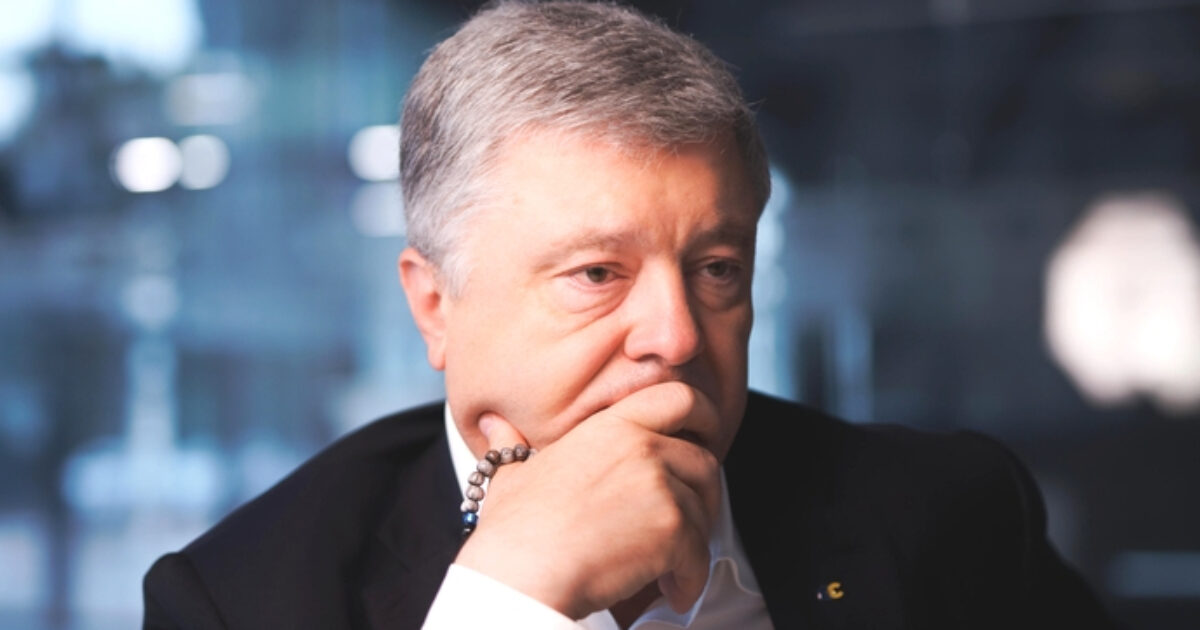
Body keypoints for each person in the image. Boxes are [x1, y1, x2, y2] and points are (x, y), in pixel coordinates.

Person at [143, 2, 1114, 628]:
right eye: (598, 274)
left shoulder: (949, 514)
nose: (679, 335)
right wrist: (507, 597)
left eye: (717, 268)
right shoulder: (244, 599)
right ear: (435, 306)